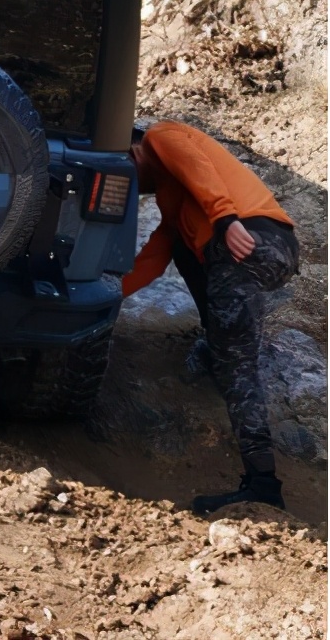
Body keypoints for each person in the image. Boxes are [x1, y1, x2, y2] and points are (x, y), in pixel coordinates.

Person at [122, 120, 299, 514]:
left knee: (237, 366)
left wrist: (224, 217)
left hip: (247, 237)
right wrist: (104, 298)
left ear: (132, 152)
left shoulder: (157, 136)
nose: (131, 187)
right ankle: (217, 338)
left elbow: (194, 161)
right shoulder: (174, 198)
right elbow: (156, 255)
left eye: (126, 175)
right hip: (259, 246)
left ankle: (262, 484)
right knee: (183, 247)